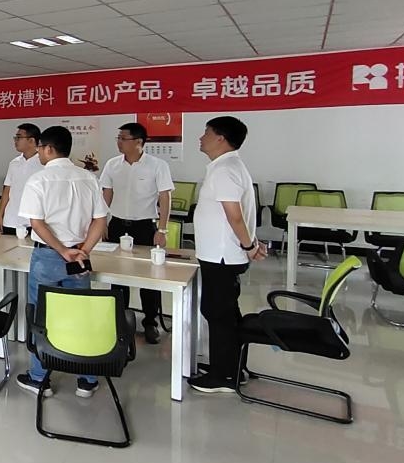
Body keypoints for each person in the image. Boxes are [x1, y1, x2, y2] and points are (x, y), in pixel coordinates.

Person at [16, 125, 109, 398]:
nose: (38, 153)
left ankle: (39, 379)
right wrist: (83, 250)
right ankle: (87, 379)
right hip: (79, 257)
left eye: (40, 148)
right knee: (81, 314)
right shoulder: (88, 178)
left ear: (48, 149)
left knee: (42, 316)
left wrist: (61, 250)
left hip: (48, 256)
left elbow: (37, 223)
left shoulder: (38, 180)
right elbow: (100, 220)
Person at [189, 116, 267, 394]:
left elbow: (234, 215)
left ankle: (224, 376)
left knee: (218, 313)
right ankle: (231, 367)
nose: (201, 138)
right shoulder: (227, 166)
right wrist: (251, 242)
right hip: (220, 253)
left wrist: (249, 246)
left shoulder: (225, 169)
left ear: (220, 138)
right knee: (225, 312)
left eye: (206, 132)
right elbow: (241, 214)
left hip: (221, 256)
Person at [99, 122, 175, 344]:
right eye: (118, 138)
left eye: (123, 138)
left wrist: (162, 229)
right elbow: (107, 194)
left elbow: (165, 197)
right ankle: (119, 320)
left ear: (139, 142)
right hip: (117, 225)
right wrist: (101, 221)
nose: (119, 142)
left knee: (148, 277)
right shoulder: (112, 164)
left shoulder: (157, 165)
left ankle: (150, 322)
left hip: (144, 226)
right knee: (117, 275)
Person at [0, 123, 41, 235]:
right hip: (11, 219)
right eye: (15, 138)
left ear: (31, 140)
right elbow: (7, 190)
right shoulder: (14, 163)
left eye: (19, 137)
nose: (15, 141)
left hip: (33, 222)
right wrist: (0, 215)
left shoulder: (42, 163)